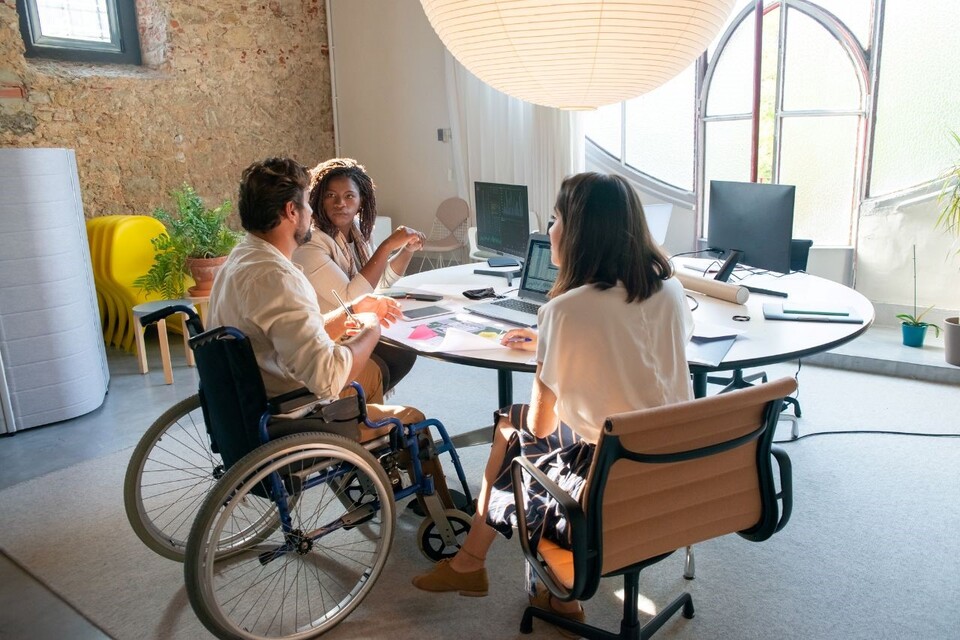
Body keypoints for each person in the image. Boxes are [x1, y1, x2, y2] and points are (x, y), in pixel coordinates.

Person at [411, 172, 694, 627]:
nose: (548, 231)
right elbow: (642, 354)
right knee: (516, 424)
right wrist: (557, 343)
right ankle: (509, 579)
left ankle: (475, 565)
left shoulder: (564, 311)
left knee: (512, 428)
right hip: (673, 465)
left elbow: (541, 426)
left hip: (606, 477)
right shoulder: (672, 291)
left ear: (581, 233)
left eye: (557, 219)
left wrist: (552, 347)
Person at [207, 156, 422, 435]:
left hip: (249, 405)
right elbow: (327, 378)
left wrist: (354, 309)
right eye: (308, 202)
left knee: (376, 371)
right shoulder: (279, 278)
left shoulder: (240, 258)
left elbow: (285, 332)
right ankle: (371, 458)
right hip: (296, 416)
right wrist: (371, 326)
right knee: (414, 418)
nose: (312, 212)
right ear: (291, 211)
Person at [293, 158, 424, 395]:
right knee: (394, 351)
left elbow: (378, 282)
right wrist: (387, 246)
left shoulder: (357, 233)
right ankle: (353, 405)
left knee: (405, 345)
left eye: (349, 196)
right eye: (331, 195)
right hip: (328, 338)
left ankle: (362, 405)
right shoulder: (311, 243)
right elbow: (353, 296)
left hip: (354, 326)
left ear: (362, 200)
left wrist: (406, 250)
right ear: (318, 198)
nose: (340, 203)